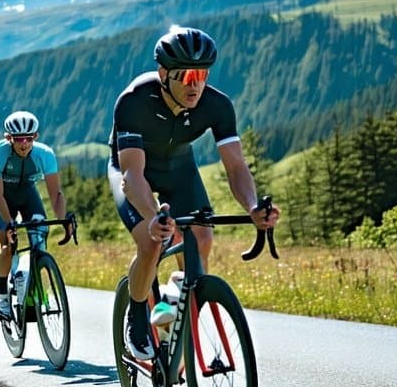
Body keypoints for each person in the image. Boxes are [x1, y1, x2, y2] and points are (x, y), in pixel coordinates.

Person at [108, 25, 280, 362]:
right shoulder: (134, 101)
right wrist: (152, 217)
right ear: (164, 74)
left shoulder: (217, 105)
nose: (196, 84)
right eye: (186, 76)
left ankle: (174, 307)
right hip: (131, 170)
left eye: (202, 74)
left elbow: (236, 167)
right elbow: (133, 176)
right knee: (151, 241)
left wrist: (253, 206)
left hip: (179, 168)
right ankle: (139, 311)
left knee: (202, 240)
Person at [0, 110, 73, 320]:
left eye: (29, 138)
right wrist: (9, 225)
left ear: (36, 136)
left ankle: (34, 290)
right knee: (7, 246)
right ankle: (2, 298)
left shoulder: (45, 155)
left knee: (40, 234)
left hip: (27, 194)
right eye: (18, 139)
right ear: (9, 138)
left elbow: (55, 194)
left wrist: (63, 219)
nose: (24, 143)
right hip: (2, 198)